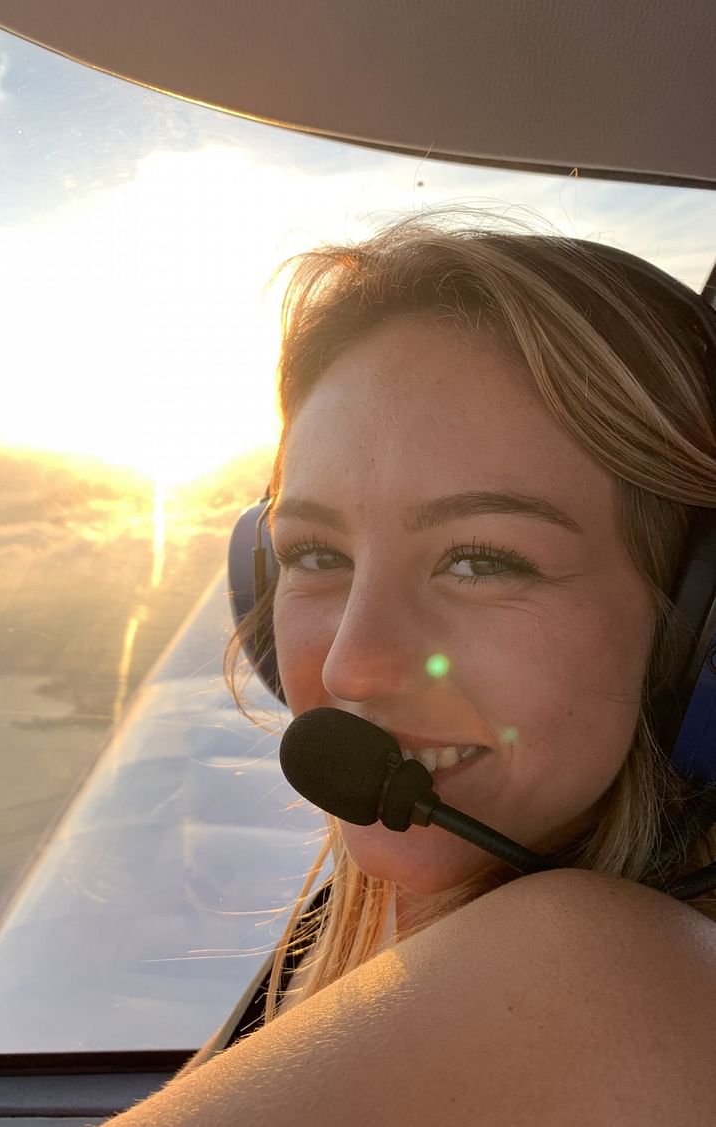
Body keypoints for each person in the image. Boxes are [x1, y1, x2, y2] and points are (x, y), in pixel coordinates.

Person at [109, 217, 716, 1125]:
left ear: (696, 631)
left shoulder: (599, 972)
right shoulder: (383, 908)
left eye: (479, 560)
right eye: (315, 552)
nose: (352, 667)